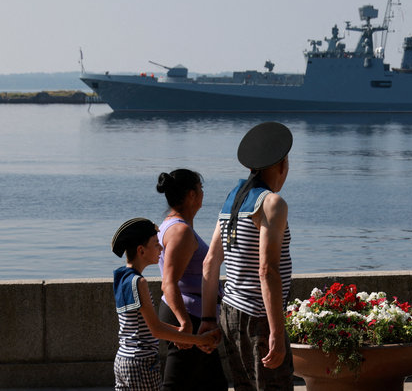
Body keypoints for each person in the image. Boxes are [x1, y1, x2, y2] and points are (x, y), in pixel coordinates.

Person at [199, 121, 294, 391]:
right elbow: (267, 270)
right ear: (281, 164)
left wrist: (208, 320)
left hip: (230, 313)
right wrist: (276, 332)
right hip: (259, 318)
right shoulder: (271, 203)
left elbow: (210, 263)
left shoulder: (234, 199)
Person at [111, 217, 221, 390]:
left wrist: (179, 332)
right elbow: (156, 330)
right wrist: (198, 340)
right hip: (142, 363)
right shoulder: (139, 283)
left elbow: (145, 325)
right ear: (141, 250)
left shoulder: (121, 278)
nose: (161, 248)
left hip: (123, 360)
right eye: (156, 244)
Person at [156, 169, 227, 390]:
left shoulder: (173, 226)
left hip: (192, 315)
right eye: (200, 189)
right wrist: (184, 323)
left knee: (212, 384)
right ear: (191, 195)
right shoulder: (180, 232)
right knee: (176, 384)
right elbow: (169, 282)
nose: (203, 194)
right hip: (188, 317)